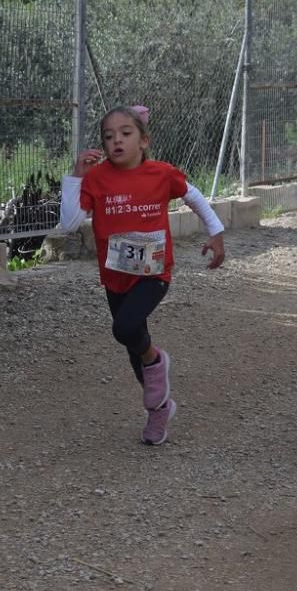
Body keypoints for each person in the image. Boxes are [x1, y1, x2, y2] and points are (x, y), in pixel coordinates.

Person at [59, 105, 226, 445]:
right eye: (108, 136)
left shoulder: (161, 174)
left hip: (154, 272)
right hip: (115, 275)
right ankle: (159, 409)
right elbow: (71, 223)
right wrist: (77, 175)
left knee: (125, 328)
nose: (116, 140)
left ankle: (157, 360)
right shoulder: (97, 178)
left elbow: (193, 196)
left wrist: (216, 232)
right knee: (132, 342)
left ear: (144, 140)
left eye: (125, 133)